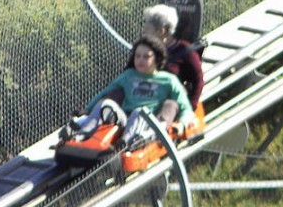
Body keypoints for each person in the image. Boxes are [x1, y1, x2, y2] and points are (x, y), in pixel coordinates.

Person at [63, 33, 194, 149]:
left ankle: (127, 143)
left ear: (157, 58)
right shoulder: (129, 75)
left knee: (140, 112)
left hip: (148, 121)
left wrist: (182, 124)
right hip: (125, 118)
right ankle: (80, 134)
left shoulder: (168, 80)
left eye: (146, 57)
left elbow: (185, 106)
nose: (140, 60)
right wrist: (87, 109)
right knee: (106, 104)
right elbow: (105, 92)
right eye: (137, 56)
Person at [142, 3, 204, 110]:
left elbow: (198, 80)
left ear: (161, 31)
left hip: (168, 106)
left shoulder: (185, 50)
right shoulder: (143, 49)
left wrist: (191, 107)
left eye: (148, 28)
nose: (144, 32)